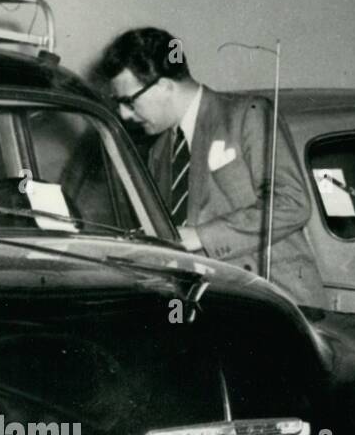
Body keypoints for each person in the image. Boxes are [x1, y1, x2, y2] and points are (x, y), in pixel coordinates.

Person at [99, 27, 324, 306]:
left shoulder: (247, 115)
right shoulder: (158, 151)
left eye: (128, 101)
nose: (124, 114)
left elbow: (292, 203)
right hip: (215, 304)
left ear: (164, 86)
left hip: (278, 303)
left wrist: (201, 236)